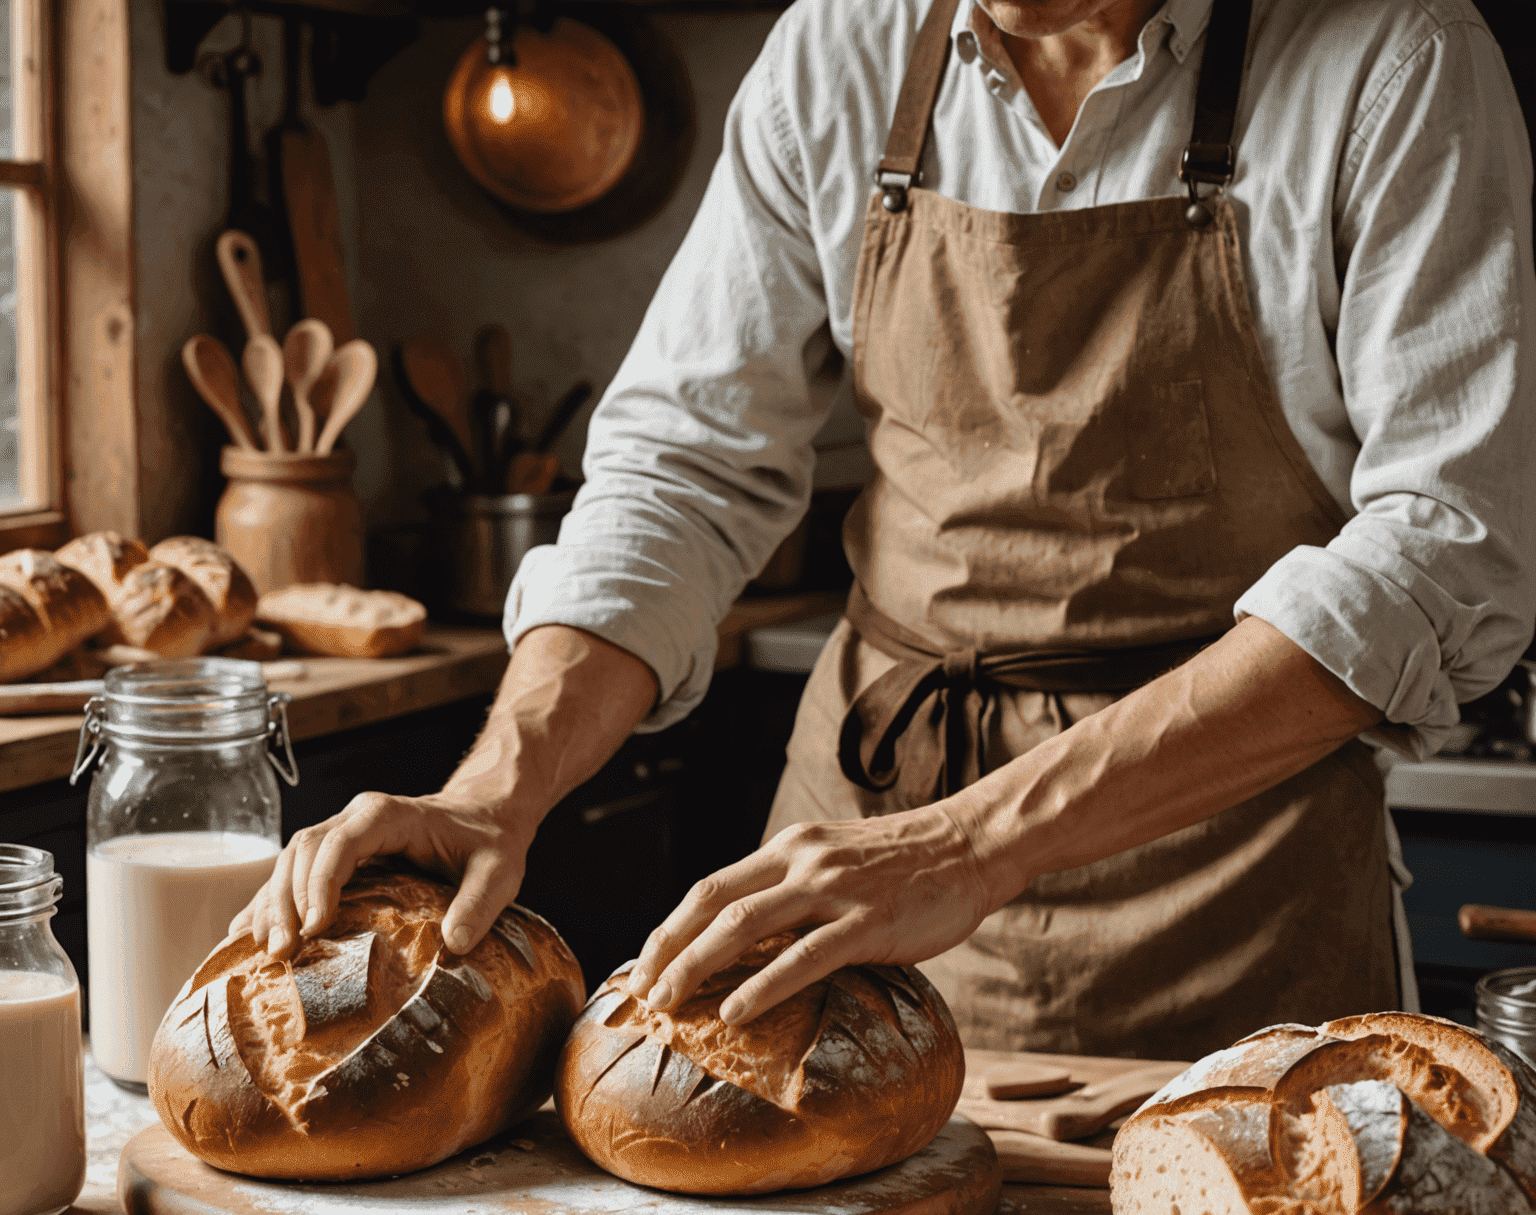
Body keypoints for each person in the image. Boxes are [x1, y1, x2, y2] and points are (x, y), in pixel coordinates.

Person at [236, 0, 1536, 1059]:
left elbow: (1449, 550)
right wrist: (492, 792)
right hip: (850, 856)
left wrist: (972, 843)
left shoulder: (1395, 58)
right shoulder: (840, 48)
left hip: (1228, 885)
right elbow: (684, 467)